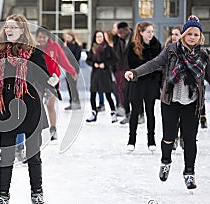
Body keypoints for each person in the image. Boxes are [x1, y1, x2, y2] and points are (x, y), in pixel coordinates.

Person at [125, 15, 210, 190]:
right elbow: (154, 63)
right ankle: (165, 161)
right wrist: (135, 72)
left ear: (200, 36)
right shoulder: (172, 50)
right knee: (169, 137)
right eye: (189, 34)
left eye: (196, 34)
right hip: (171, 100)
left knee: (190, 139)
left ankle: (189, 174)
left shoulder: (204, 55)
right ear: (184, 35)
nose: (192, 37)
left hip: (193, 102)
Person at [0, 14, 58, 204]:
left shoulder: (34, 53)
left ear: (22, 31)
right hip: (7, 110)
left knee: (33, 156)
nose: (9, 30)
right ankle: (2, 197)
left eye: (14, 27)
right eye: (7, 27)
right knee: (6, 157)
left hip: (30, 109)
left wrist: (51, 81)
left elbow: (43, 77)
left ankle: (37, 196)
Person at [125, 22, 162, 152]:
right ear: (141, 33)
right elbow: (130, 65)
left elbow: (160, 65)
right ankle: (131, 141)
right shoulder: (132, 47)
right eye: (148, 32)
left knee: (150, 112)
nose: (151, 34)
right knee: (135, 112)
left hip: (151, 84)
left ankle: (151, 141)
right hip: (137, 84)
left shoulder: (157, 46)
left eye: (152, 31)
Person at [36, 26, 77, 141]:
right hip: (38, 79)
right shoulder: (35, 47)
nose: (41, 39)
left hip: (52, 80)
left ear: (48, 37)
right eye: (39, 37)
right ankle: (37, 128)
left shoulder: (54, 46)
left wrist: (71, 70)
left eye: (44, 37)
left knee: (50, 105)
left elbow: (63, 60)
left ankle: (53, 129)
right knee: (37, 104)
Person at [85, 30, 119, 123]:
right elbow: (88, 60)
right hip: (95, 75)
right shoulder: (92, 48)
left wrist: (105, 64)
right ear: (95, 38)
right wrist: (94, 64)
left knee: (108, 94)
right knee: (93, 94)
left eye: (101, 36)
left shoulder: (108, 48)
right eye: (97, 37)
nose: (99, 39)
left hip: (105, 74)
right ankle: (93, 113)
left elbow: (115, 59)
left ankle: (113, 113)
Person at [63, 30, 82, 110]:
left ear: (72, 37)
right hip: (67, 67)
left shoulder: (77, 45)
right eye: (66, 37)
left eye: (69, 37)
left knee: (73, 85)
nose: (68, 38)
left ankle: (76, 102)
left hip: (74, 67)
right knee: (69, 85)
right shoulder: (65, 46)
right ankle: (72, 102)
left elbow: (76, 57)